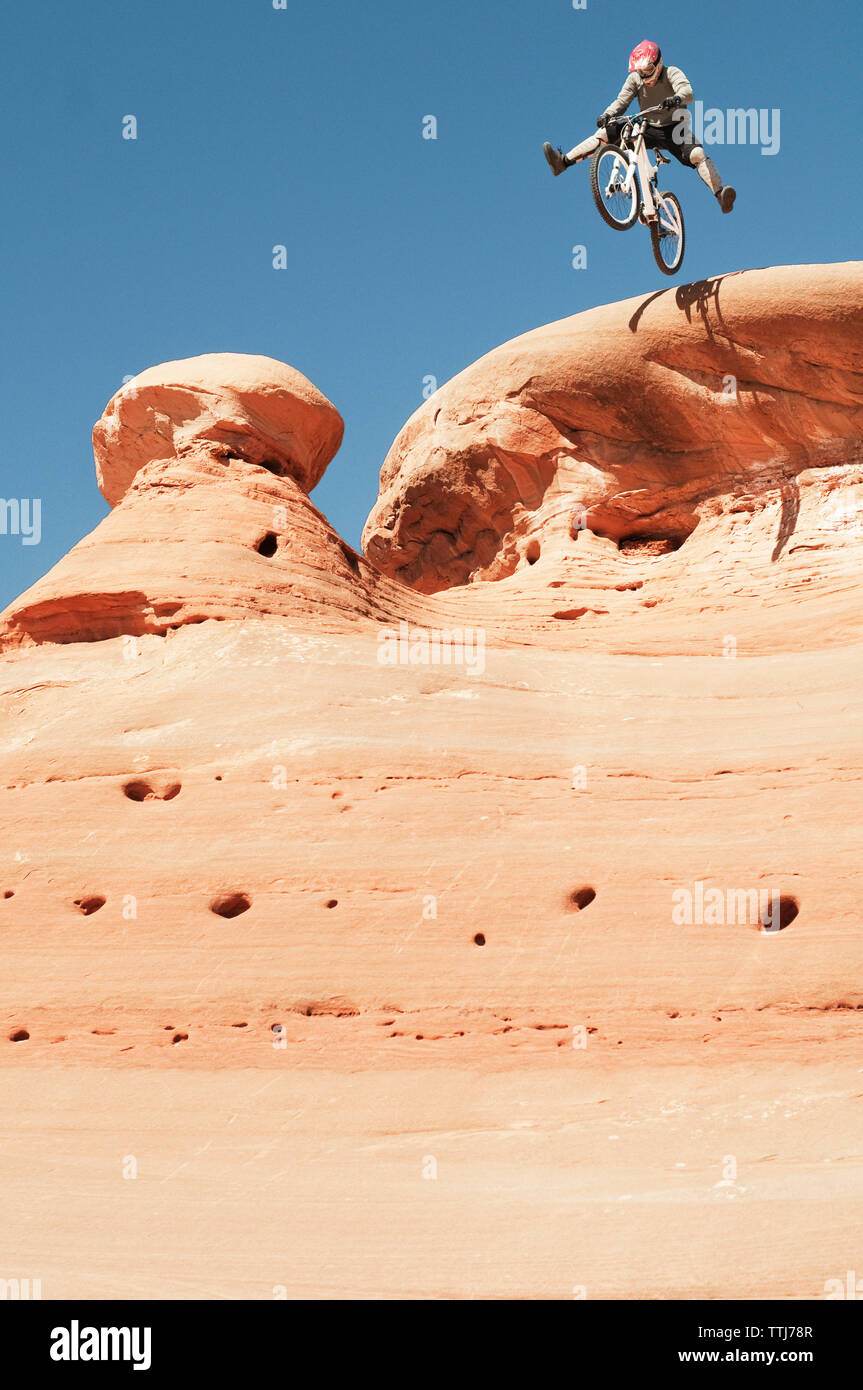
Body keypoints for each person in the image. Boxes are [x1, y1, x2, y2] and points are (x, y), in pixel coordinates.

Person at [543, 40, 736, 213]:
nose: (644, 74)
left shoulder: (671, 73)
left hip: (676, 129)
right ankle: (563, 162)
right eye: (641, 70)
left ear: (658, 63)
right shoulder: (635, 79)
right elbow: (621, 101)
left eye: (648, 69)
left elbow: (688, 92)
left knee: (696, 155)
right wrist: (607, 114)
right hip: (647, 126)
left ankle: (720, 195)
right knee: (605, 133)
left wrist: (676, 98)